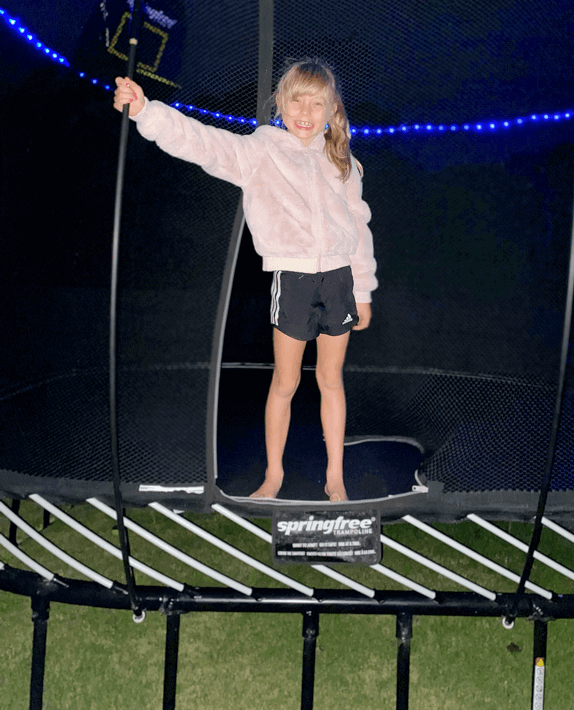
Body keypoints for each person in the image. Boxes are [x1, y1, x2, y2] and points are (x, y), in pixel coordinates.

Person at [113, 59, 377, 502]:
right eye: (298, 100)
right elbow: (203, 144)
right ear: (280, 102)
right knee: (286, 381)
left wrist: (363, 289)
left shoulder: (342, 160)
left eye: (318, 102)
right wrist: (146, 112)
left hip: (338, 280)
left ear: (333, 109)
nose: (306, 112)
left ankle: (336, 478)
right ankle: (273, 474)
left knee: (331, 379)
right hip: (292, 280)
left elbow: (359, 225)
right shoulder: (261, 151)